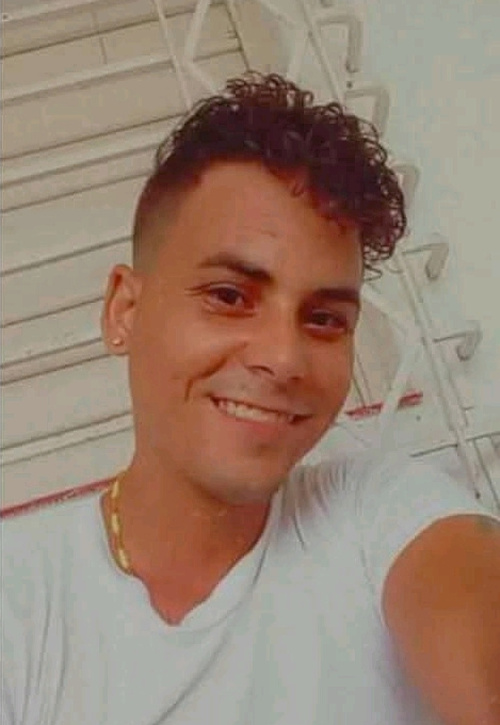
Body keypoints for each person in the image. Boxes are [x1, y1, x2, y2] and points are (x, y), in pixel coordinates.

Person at [2, 72, 499, 725]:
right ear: (125, 310)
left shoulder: (380, 515)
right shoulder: (22, 599)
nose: (283, 357)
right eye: (229, 296)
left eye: (324, 318)